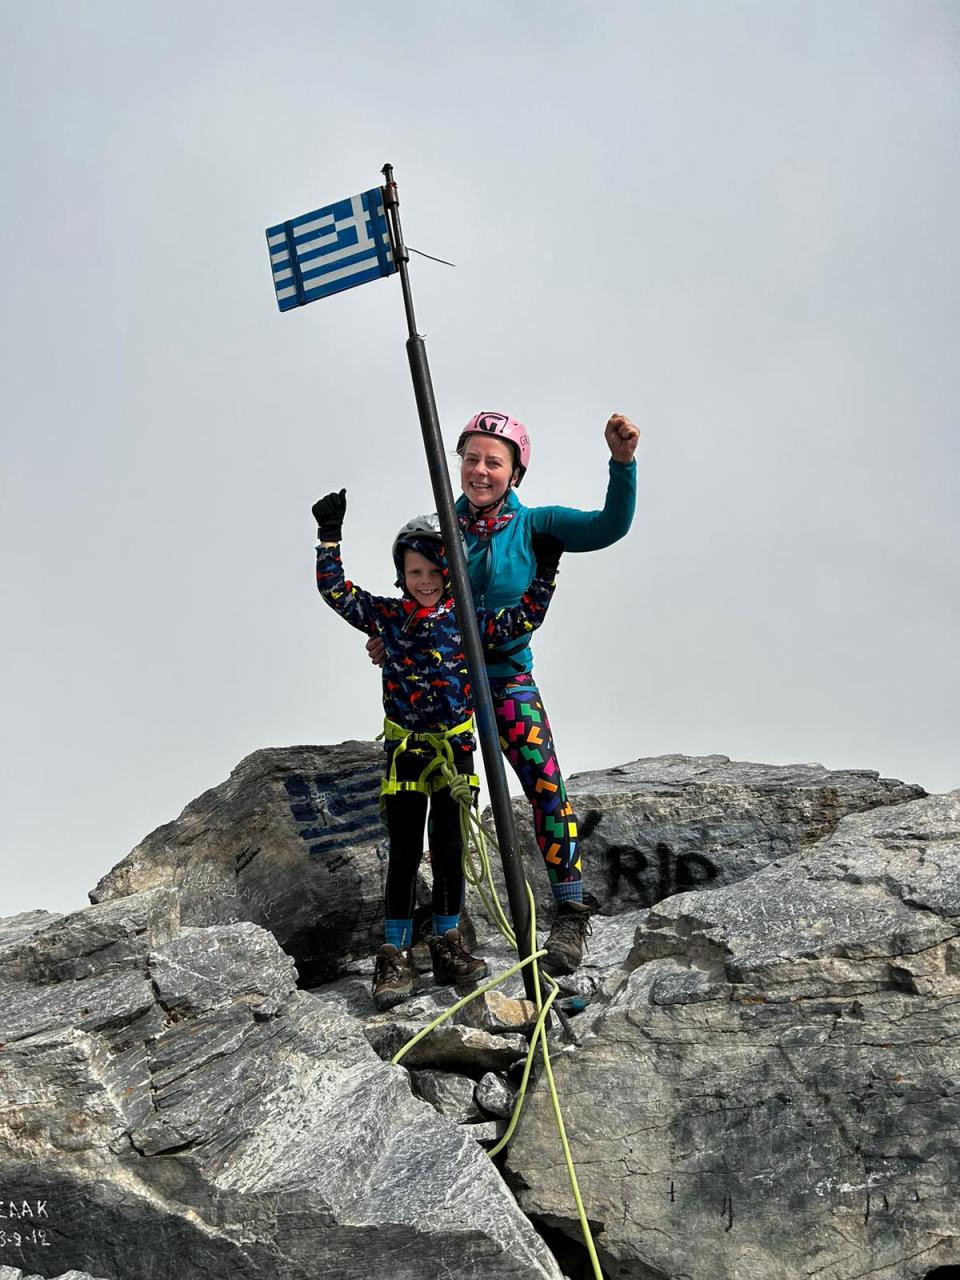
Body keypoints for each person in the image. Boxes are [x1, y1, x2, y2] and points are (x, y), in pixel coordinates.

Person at [366, 410, 639, 976]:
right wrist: (390, 639)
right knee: (444, 802)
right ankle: (445, 925)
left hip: (507, 679)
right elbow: (417, 599)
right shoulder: (440, 529)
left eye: (494, 461)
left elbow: (608, 526)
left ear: (515, 472)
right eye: (470, 459)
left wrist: (622, 464)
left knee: (543, 782)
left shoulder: (537, 525)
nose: (480, 470)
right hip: (446, 687)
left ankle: (569, 910)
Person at [312, 487, 565, 1011]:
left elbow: (523, 619)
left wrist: (547, 568)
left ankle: (447, 943)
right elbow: (338, 593)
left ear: (449, 572)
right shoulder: (387, 617)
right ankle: (394, 952)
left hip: (456, 754)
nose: (423, 582)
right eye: (413, 573)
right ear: (400, 576)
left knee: (449, 849)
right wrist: (328, 539)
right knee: (403, 853)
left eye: (432, 571)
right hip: (406, 753)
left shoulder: (469, 622)